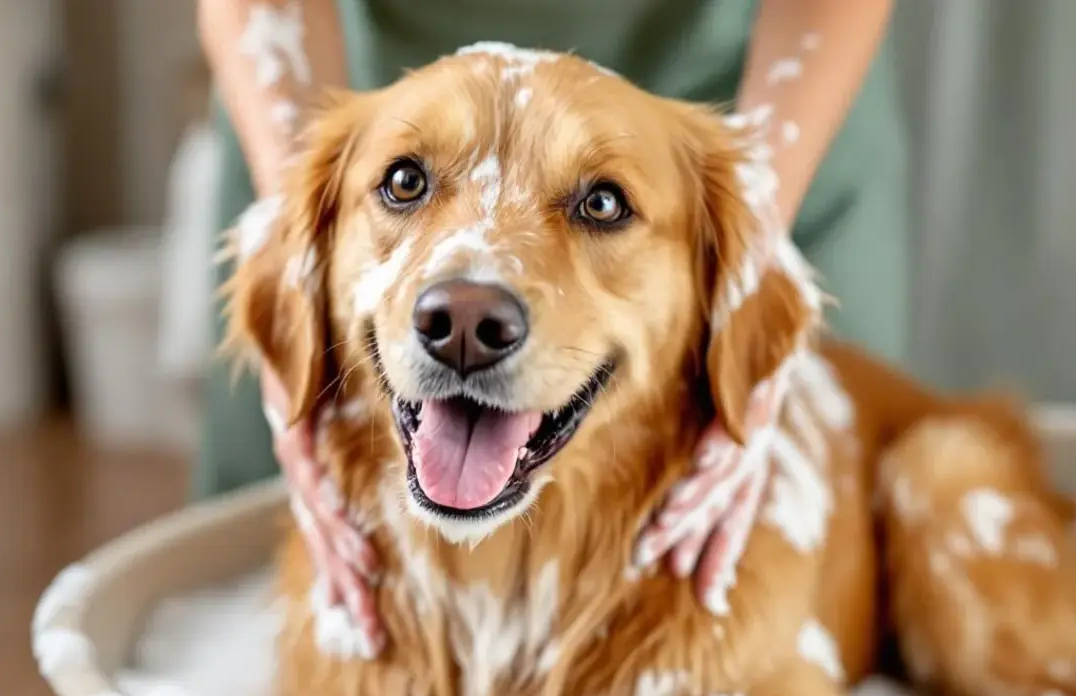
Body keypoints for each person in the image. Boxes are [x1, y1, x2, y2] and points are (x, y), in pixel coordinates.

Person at [196, 0, 907, 656]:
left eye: (601, 203)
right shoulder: (327, 205)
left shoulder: (725, 234)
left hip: (765, 76)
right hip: (340, 64)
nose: (468, 314)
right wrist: (291, 237)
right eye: (406, 183)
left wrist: (751, 227)